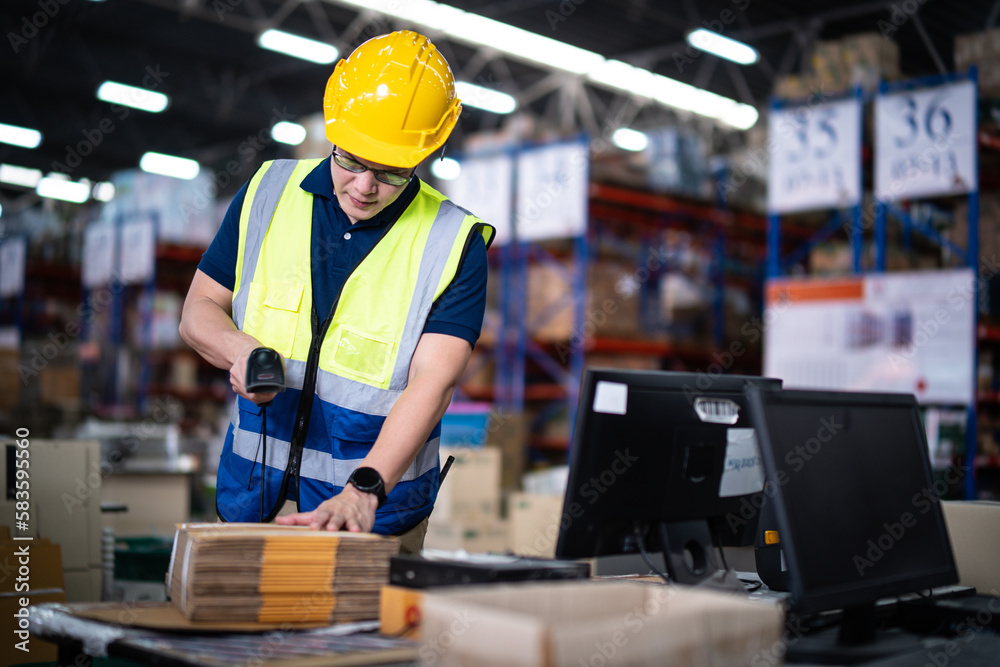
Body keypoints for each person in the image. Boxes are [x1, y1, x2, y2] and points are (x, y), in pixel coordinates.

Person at [179, 30, 494, 553]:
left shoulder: (454, 243)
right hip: (252, 501)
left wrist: (365, 488)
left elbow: (432, 384)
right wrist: (242, 351)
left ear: (427, 152)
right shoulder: (266, 192)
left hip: (371, 517)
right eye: (349, 160)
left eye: (391, 171)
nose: (365, 186)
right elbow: (198, 309)